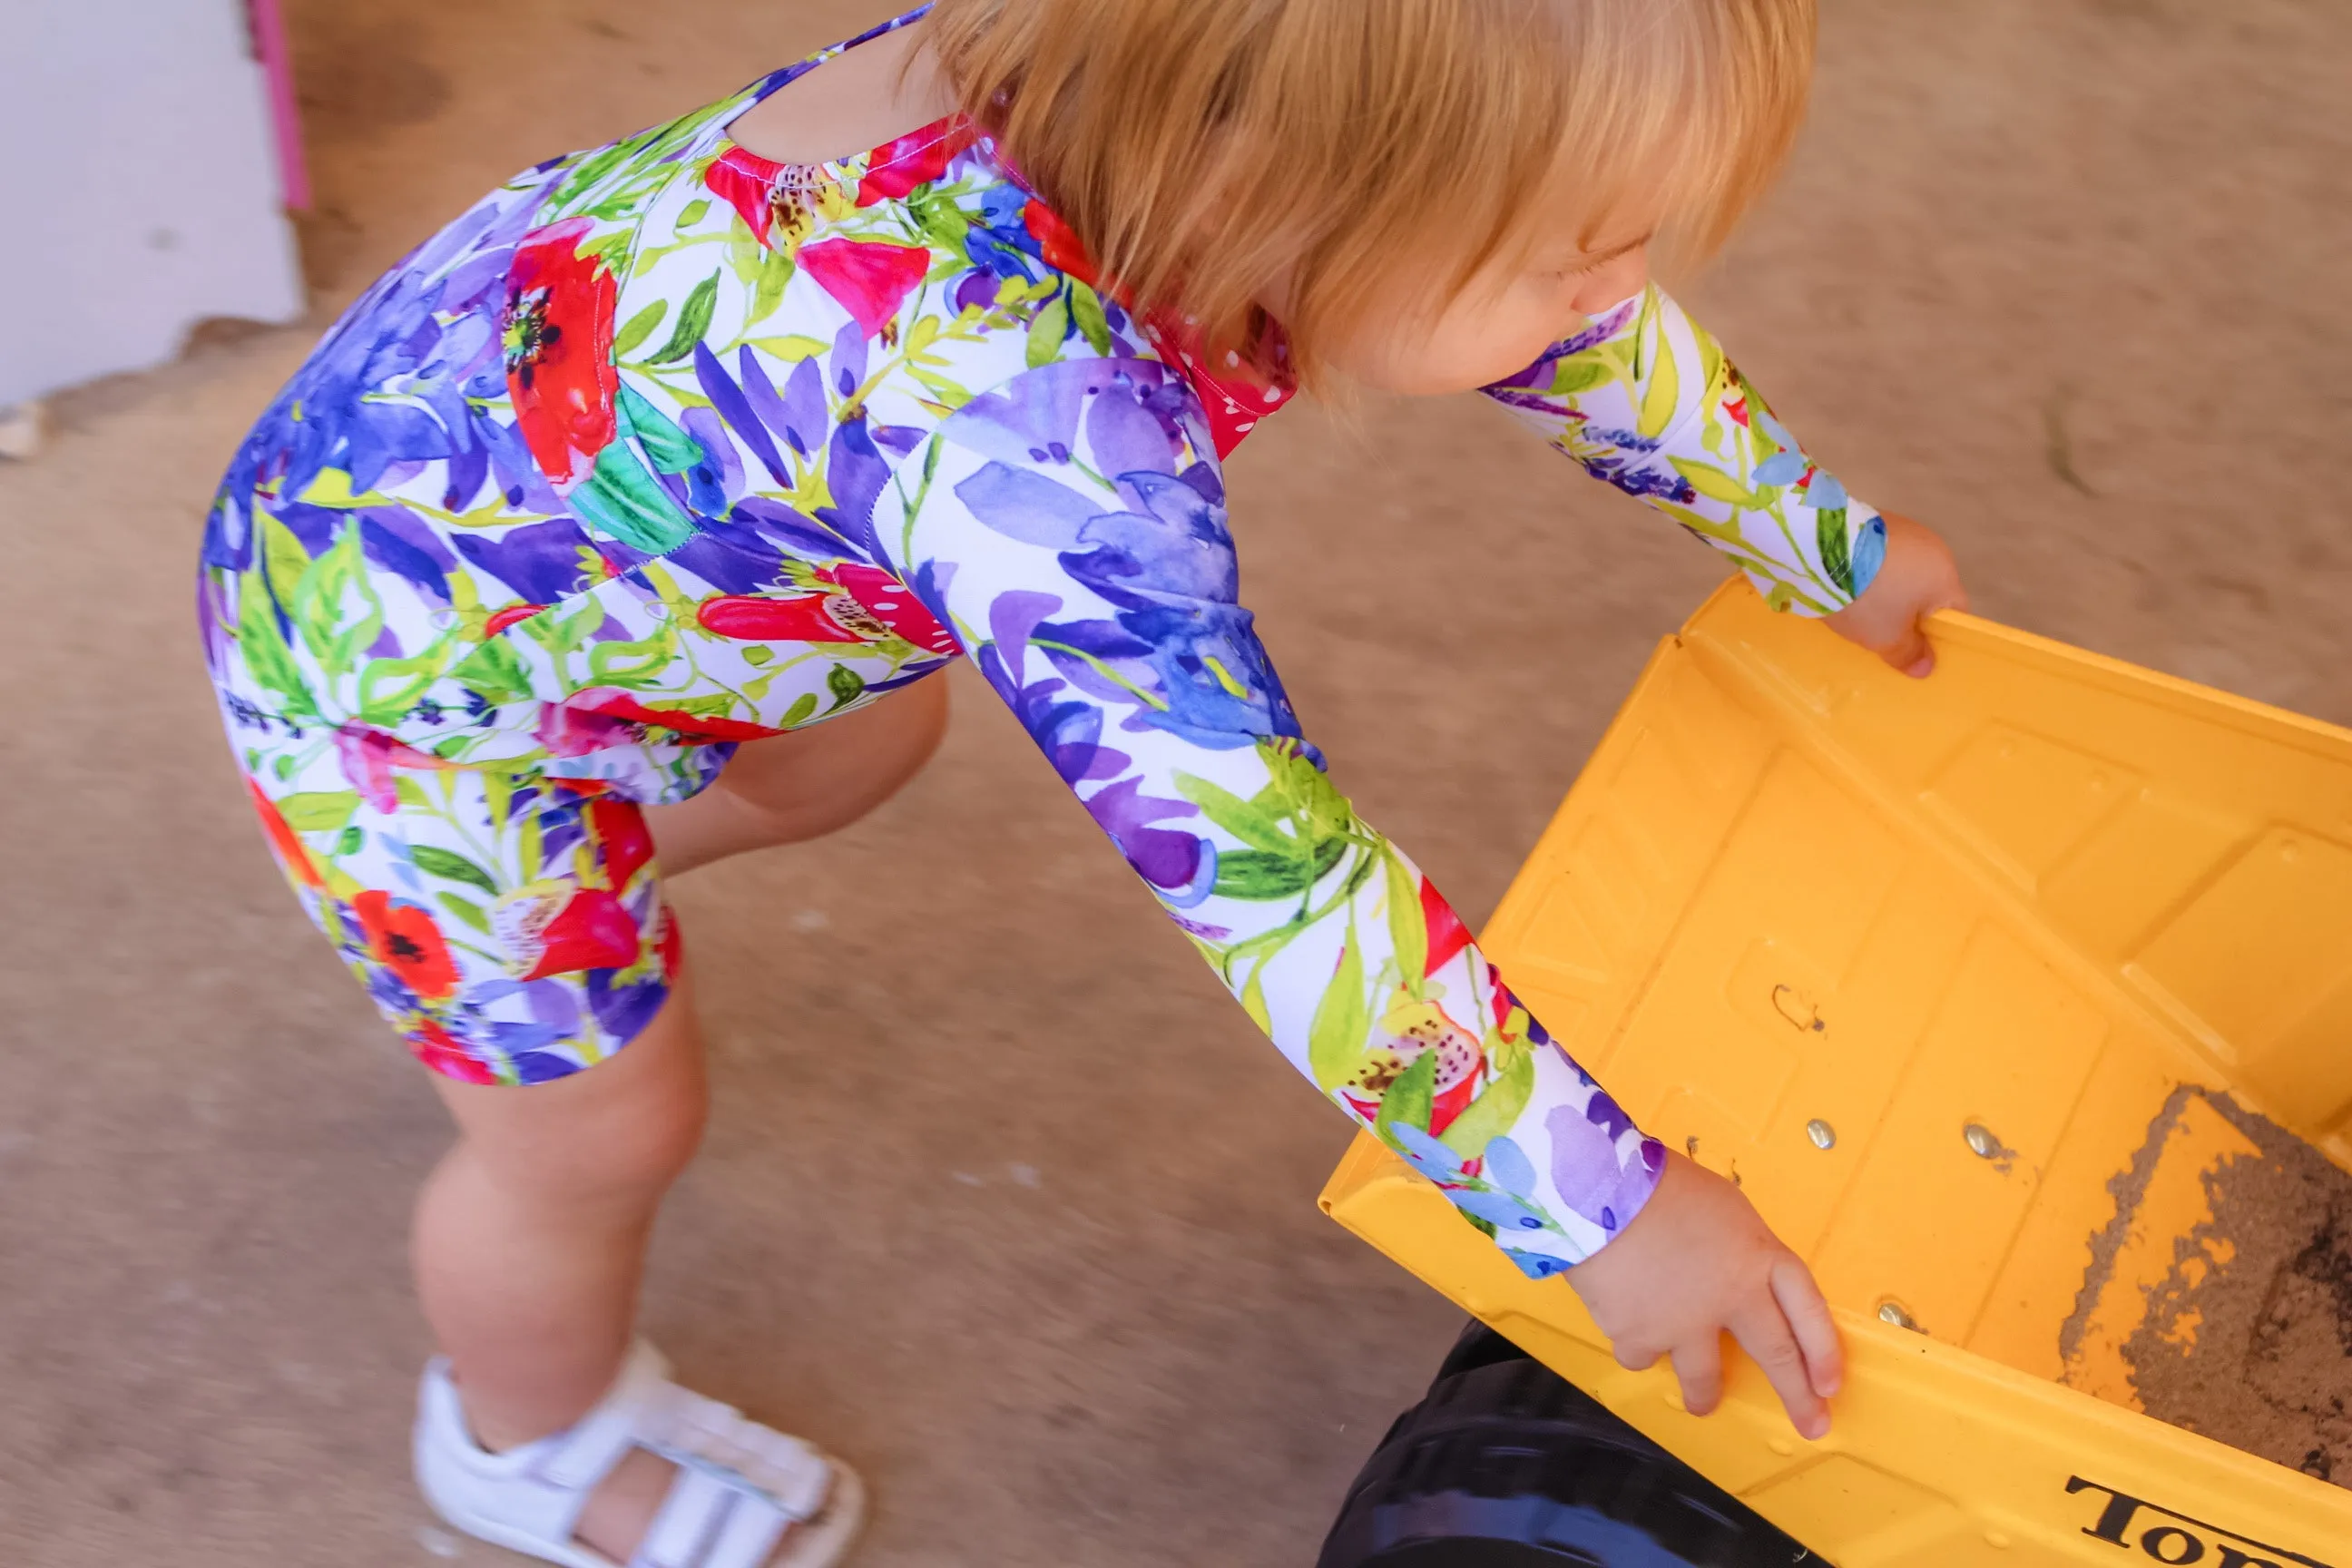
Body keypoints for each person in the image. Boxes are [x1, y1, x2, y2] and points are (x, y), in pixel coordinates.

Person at [197, 3, 1967, 1563]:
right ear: (1281, 187)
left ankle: (510, 913)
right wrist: (1612, 1212)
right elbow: (1278, 880)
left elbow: (1568, 335)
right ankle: (527, 1438)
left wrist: (1815, 539)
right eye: (1577, 249)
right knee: (599, 1125)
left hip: (539, 527)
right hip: (380, 671)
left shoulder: (1155, 69)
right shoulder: (1034, 445)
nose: (1615, 284)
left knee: (876, 736)